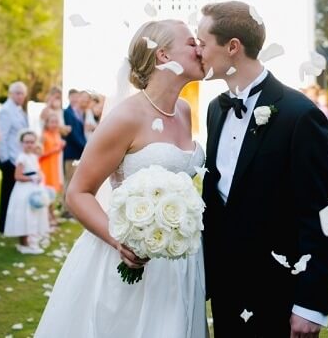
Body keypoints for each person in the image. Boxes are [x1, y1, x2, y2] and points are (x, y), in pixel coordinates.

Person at [35, 19, 206, 337]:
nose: (201, 49)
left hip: (179, 259)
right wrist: (121, 241)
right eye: (192, 42)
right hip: (128, 255)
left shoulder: (183, 110)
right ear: (163, 56)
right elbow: (78, 192)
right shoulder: (126, 116)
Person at [198, 1, 328, 337]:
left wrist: (311, 305)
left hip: (279, 290)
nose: (197, 51)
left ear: (233, 47)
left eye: (202, 43)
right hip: (227, 287)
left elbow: (321, 214)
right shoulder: (216, 110)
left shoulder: (300, 115)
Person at [4, 129, 50, 254]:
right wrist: (31, 178)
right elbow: (17, 176)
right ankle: (25, 244)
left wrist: (39, 176)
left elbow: (36, 170)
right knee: (24, 215)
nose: (29, 144)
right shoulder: (22, 157)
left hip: (34, 189)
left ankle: (31, 242)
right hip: (24, 190)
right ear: (21, 143)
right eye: (26, 142)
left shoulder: (33, 156)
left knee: (33, 214)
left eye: (31, 142)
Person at [0, 81, 29, 234]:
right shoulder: (6, 111)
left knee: (15, 194)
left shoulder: (19, 110)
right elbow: (1, 137)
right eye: (18, 93)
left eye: (23, 93)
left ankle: (12, 225)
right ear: (11, 94)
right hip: (10, 159)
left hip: (19, 159)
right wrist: (4, 160)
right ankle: (4, 225)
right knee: (7, 193)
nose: (21, 96)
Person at [61, 88, 87, 217]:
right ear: (69, 98)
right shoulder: (67, 113)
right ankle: (66, 209)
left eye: (77, 97)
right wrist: (85, 147)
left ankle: (72, 208)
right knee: (69, 181)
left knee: (74, 181)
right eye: (73, 97)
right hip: (71, 152)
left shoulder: (80, 113)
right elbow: (72, 134)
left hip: (78, 152)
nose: (75, 99)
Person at [39, 112, 65, 225]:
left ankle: (51, 215)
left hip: (55, 166)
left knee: (53, 192)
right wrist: (54, 150)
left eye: (56, 122)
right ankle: (49, 217)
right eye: (52, 122)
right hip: (45, 167)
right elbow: (38, 155)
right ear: (47, 123)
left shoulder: (57, 134)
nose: (54, 124)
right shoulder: (43, 136)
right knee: (47, 191)